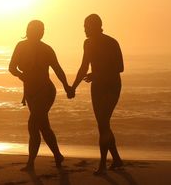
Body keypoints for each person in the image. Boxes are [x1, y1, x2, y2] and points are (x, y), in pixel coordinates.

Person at [9, 20, 71, 171]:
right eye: (35, 31)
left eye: (40, 31)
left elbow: (57, 69)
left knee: (33, 125)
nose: (38, 33)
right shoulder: (21, 46)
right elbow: (11, 67)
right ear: (29, 31)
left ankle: (30, 163)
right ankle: (57, 155)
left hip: (45, 91)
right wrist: (22, 76)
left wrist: (67, 87)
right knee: (43, 126)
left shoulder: (46, 49)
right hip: (30, 92)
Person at [69, 14, 124, 175]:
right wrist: (73, 87)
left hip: (112, 86)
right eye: (84, 26)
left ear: (95, 26)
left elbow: (120, 67)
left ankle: (102, 164)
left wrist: (97, 74)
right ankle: (117, 159)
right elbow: (84, 66)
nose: (84, 29)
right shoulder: (88, 43)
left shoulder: (111, 42)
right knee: (103, 123)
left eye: (87, 26)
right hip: (98, 87)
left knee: (103, 123)